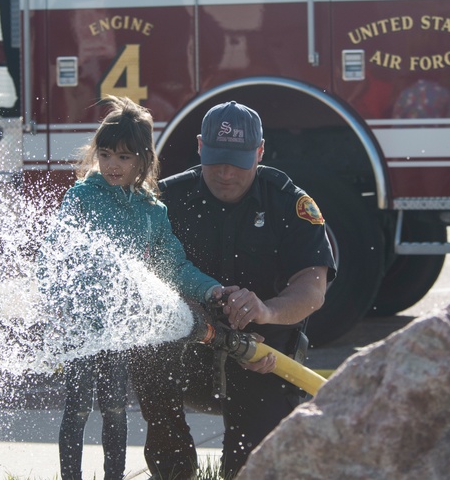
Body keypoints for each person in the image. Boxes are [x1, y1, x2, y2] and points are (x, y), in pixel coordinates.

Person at [132, 101, 335, 479]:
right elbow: (140, 281)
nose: (225, 173)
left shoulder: (289, 203)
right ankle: (174, 464)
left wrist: (267, 312)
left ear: (260, 152)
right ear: (198, 147)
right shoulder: (166, 201)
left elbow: (313, 288)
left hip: (263, 359)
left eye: (238, 162)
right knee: (143, 349)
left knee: (250, 469)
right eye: (216, 160)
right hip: (190, 352)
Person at [50, 96, 224, 480]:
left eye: (125, 158)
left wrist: (211, 290)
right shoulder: (81, 198)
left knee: (114, 408)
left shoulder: (151, 211)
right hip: (80, 324)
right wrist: (58, 304)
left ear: (143, 161)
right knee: (77, 409)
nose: (113, 165)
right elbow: (54, 254)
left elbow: (174, 266)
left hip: (118, 328)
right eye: (107, 154)